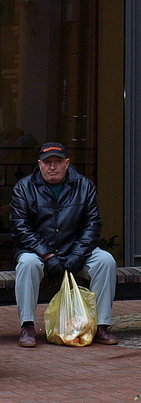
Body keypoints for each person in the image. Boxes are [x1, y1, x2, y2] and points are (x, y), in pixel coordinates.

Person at [10, 142, 119, 347]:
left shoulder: (84, 186)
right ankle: (27, 326)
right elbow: (20, 228)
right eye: (47, 162)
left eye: (57, 162)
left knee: (105, 261)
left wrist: (77, 255)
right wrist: (47, 255)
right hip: (36, 252)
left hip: (75, 249)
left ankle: (102, 326)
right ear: (39, 164)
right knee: (27, 265)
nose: (52, 166)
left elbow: (93, 225)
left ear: (67, 163)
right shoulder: (23, 187)